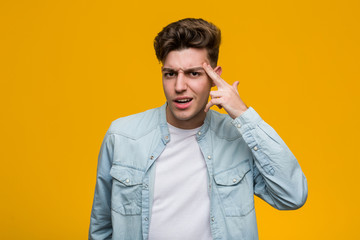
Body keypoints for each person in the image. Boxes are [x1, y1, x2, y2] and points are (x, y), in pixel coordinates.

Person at [89, 18, 308, 240]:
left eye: (194, 73)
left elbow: (293, 195)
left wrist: (243, 114)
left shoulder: (237, 138)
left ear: (215, 77)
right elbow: (101, 227)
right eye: (170, 74)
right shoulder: (123, 136)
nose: (179, 86)